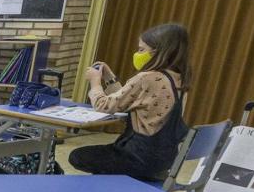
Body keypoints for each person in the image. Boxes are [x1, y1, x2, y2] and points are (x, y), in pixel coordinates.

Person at [69, 23, 191, 182]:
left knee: (77, 156)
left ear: (159, 52)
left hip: (136, 157)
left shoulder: (147, 78)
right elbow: (125, 100)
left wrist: (95, 82)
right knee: (102, 163)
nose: (137, 54)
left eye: (141, 50)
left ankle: (113, 188)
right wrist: (109, 78)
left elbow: (103, 105)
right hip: (163, 160)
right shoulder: (179, 79)